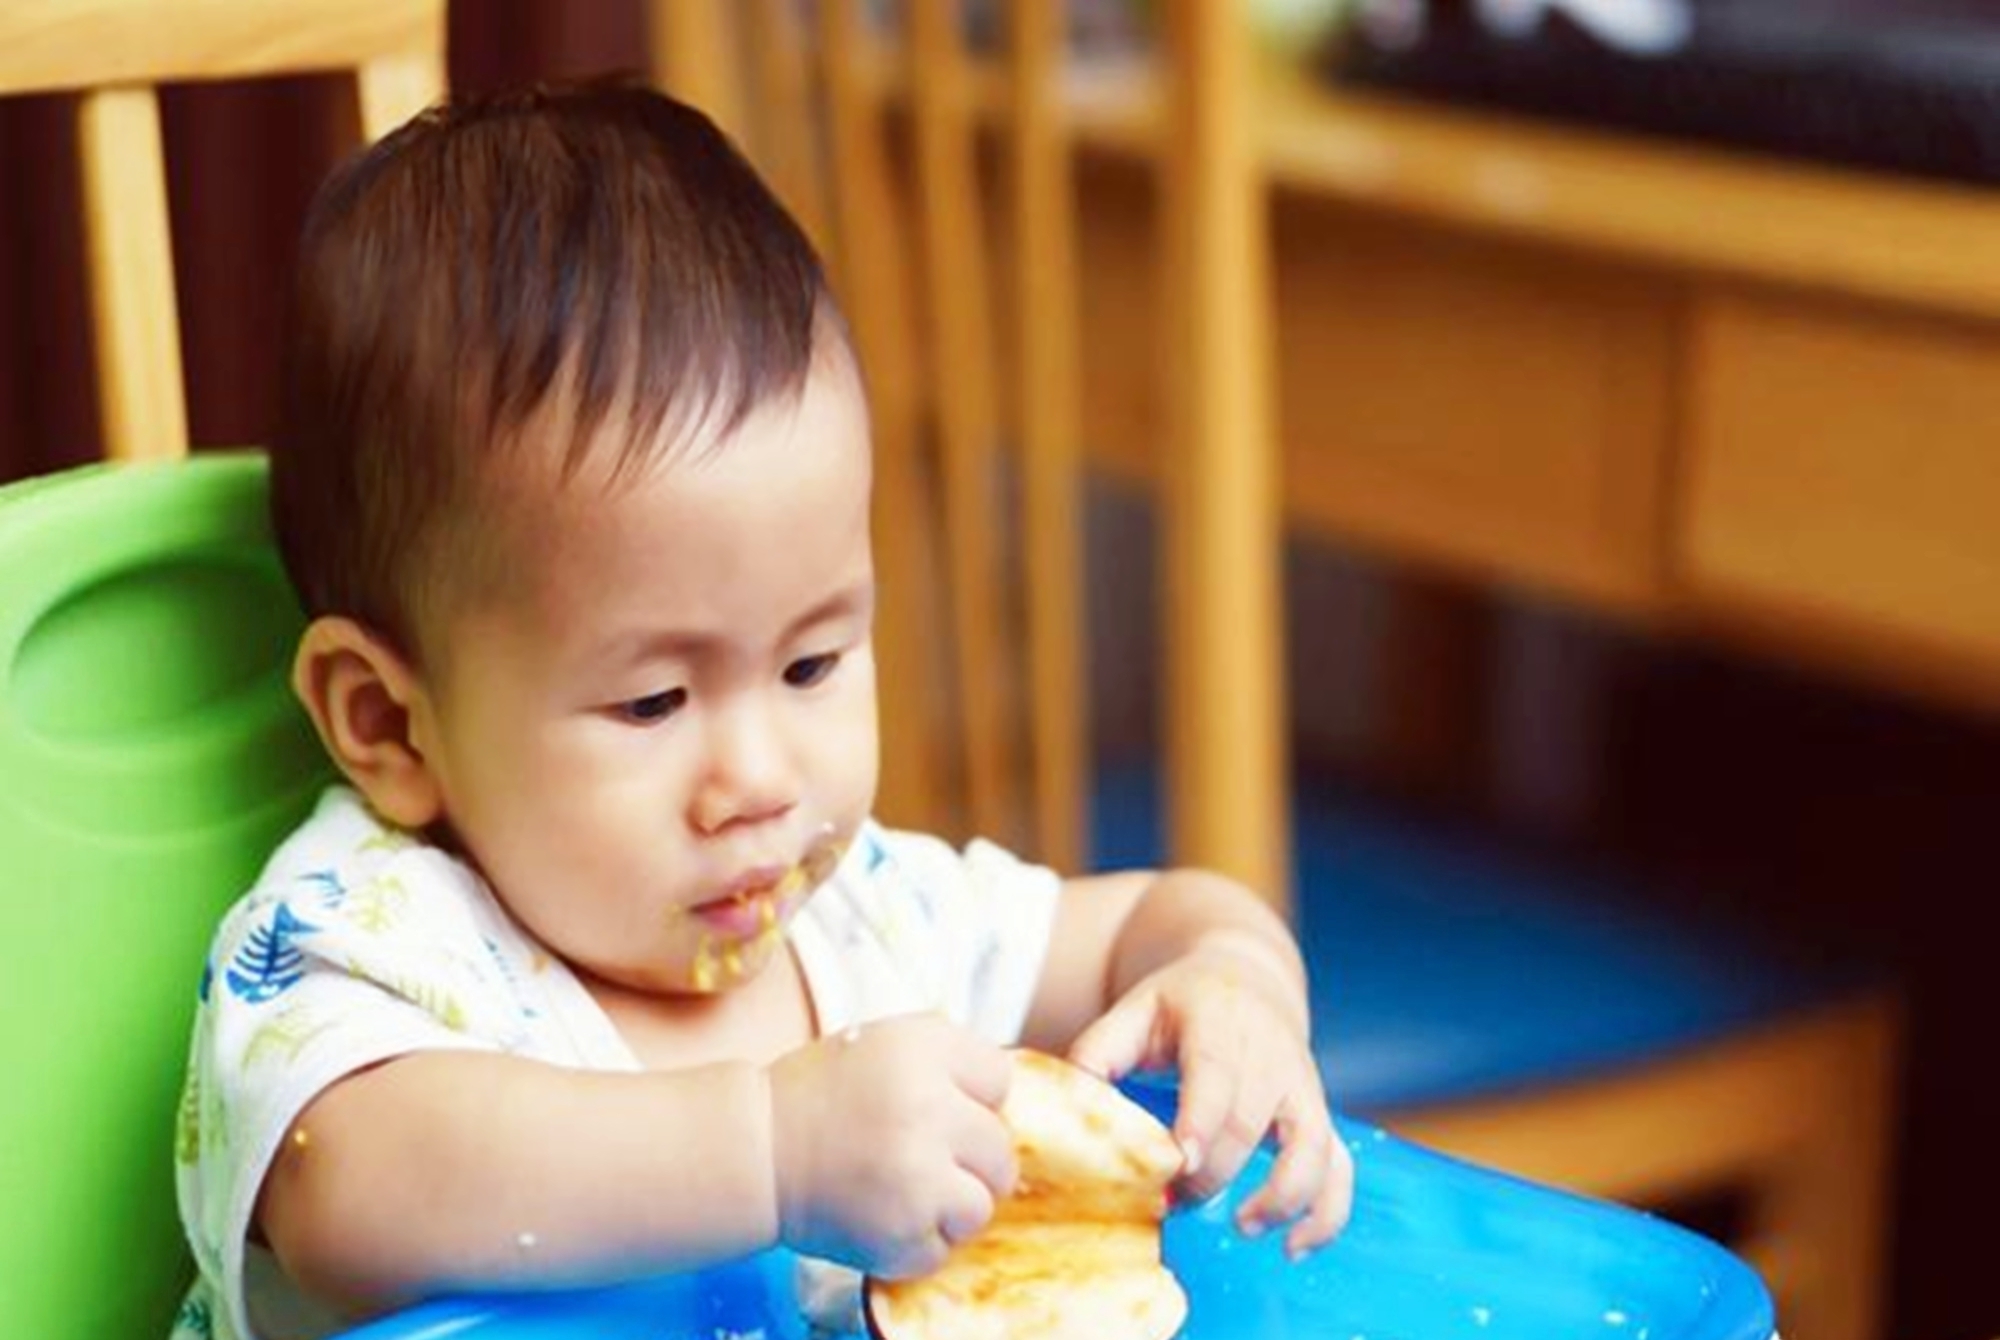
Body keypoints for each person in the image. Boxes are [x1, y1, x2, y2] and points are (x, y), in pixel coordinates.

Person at [170, 80, 1351, 1340]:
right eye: (654, 697)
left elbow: (1148, 925)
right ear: (389, 724)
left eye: (811, 664)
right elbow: (346, 1185)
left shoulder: (865, 918)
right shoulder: (371, 938)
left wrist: (1233, 987)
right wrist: (772, 1151)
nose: (761, 776)